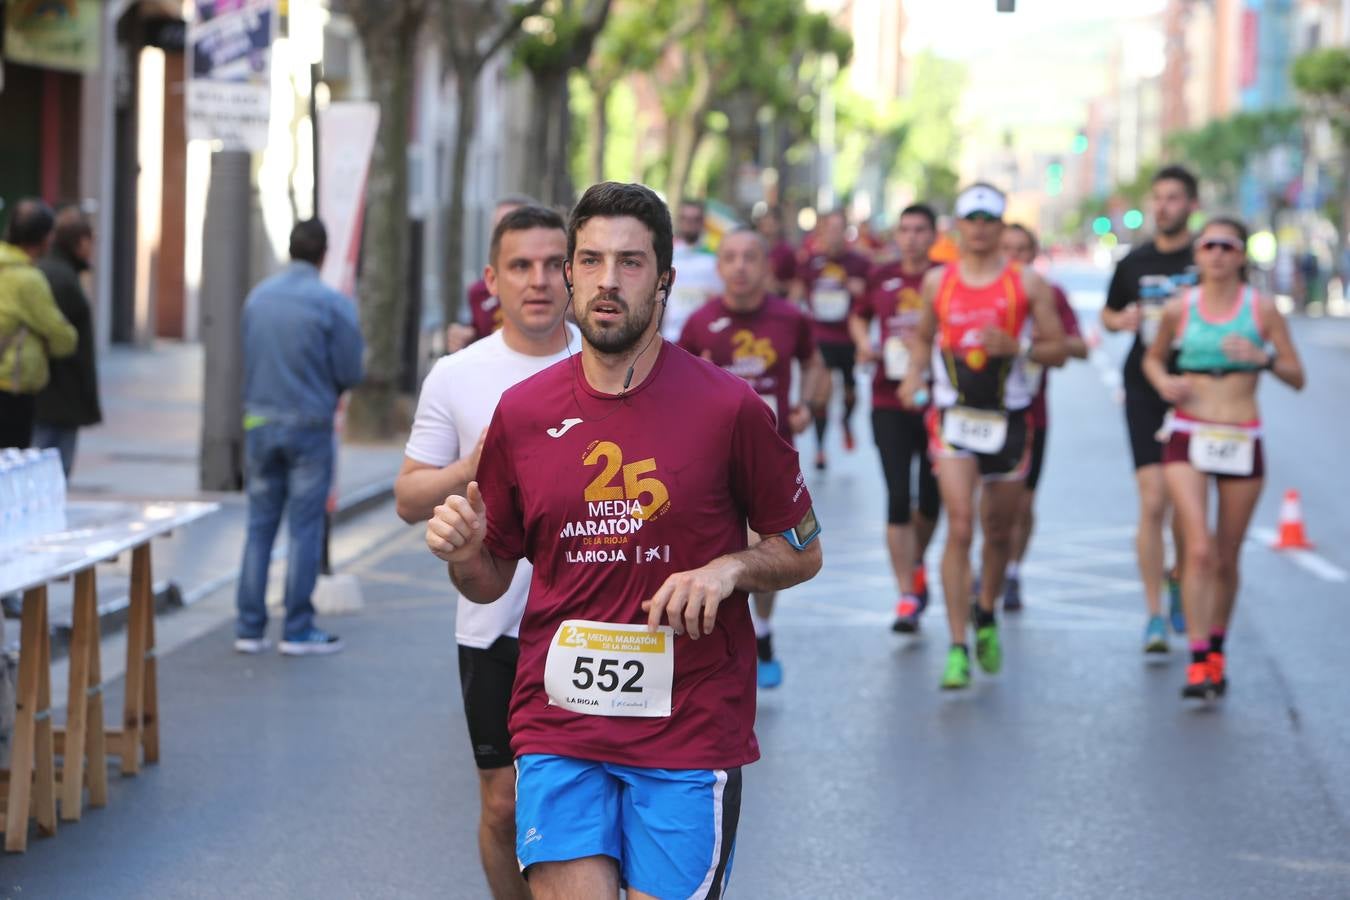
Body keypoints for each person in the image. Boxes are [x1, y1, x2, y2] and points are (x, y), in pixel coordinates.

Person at [426, 181, 822, 899]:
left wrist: (730, 568)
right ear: (572, 272)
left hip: (688, 730)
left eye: (632, 262)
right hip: (559, 724)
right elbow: (490, 578)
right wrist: (464, 556)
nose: (609, 280)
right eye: (592, 260)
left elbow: (803, 547)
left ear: (664, 281)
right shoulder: (523, 414)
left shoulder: (728, 408)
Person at [395, 205, 574, 900]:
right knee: (503, 806)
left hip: (593, 621)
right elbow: (410, 496)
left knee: (582, 801)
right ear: (492, 279)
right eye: (521, 266)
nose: (539, 281)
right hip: (492, 622)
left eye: (555, 264)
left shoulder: (607, 361)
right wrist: (473, 465)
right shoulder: (457, 375)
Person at [899, 184, 1067, 690]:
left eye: (987, 219)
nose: (978, 227)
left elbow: (1057, 348)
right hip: (954, 417)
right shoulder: (938, 282)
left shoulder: (1027, 284)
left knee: (998, 529)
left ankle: (987, 610)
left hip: (1010, 418)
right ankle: (955, 645)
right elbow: (924, 336)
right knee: (962, 524)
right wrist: (912, 377)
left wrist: (1019, 347)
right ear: (958, 226)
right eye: (970, 218)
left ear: (999, 225)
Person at [1143, 217, 1304, 699]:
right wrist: (1162, 381)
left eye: (1226, 246)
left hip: (1240, 434)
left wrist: (1265, 360)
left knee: (1228, 556)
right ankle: (1195, 660)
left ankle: (1216, 647)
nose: (1215, 254)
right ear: (1197, 255)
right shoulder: (1179, 307)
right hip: (1189, 431)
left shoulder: (1262, 309)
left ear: (1240, 255)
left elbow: (1298, 376)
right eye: (1207, 245)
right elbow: (1151, 357)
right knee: (1199, 550)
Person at [678, 227, 827, 688]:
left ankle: (761, 631)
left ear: (765, 267)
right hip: (714, 456)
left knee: (770, 546)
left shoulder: (790, 318)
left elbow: (815, 364)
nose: (740, 267)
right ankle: (732, 641)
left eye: (750, 258)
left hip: (772, 454)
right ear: (719, 268)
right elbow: (675, 388)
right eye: (730, 258)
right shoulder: (699, 323)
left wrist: (808, 405)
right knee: (729, 546)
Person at [234, 219, 365, 656]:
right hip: (309, 423)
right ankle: (297, 627)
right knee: (304, 528)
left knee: (259, 526)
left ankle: (249, 628)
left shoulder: (257, 298)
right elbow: (350, 370)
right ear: (323, 254)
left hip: (259, 421)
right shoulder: (332, 304)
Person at [1102, 165, 1199, 653]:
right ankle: (1155, 613)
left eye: (1174, 198)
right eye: (1158, 198)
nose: (1164, 206)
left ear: (1191, 205)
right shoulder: (1133, 261)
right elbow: (1108, 311)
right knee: (1154, 498)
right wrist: (1122, 321)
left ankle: (1181, 575)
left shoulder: (1209, 258)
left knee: (1188, 504)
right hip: (1143, 386)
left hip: (1199, 390)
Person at [848, 204, 942, 632]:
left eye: (920, 230)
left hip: (938, 399)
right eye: (905, 229)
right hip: (888, 397)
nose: (911, 237)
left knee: (933, 498)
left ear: (933, 234)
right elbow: (857, 316)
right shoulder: (880, 277)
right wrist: (864, 345)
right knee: (898, 496)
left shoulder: (944, 278)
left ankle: (916, 560)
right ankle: (907, 593)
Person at [997, 224, 1088, 611]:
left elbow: (1079, 347)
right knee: (980, 504)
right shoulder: (972, 290)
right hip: (978, 411)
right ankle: (986, 570)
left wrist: (1029, 345)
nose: (1015, 259)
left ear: (1035, 255)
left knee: (1022, 503)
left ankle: (1012, 570)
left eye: (1023, 250)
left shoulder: (1049, 295)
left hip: (1032, 413)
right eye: (1008, 250)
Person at [794, 209, 871, 470]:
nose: (834, 235)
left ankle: (847, 421)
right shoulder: (810, 262)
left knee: (850, 391)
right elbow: (798, 292)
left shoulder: (859, 263)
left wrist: (860, 290)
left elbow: (870, 299)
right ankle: (820, 449)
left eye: (839, 229)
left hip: (848, 336)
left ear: (846, 232)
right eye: (829, 229)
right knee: (821, 395)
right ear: (822, 233)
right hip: (821, 335)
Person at [0, 198, 76, 450]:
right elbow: (63, 337)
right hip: (12, 386)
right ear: (44, 237)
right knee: (10, 467)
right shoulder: (29, 280)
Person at [33, 207, 102, 476]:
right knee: (51, 471)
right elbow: (58, 337)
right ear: (80, 242)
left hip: (56, 394)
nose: (93, 248)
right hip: (57, 394)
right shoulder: (60, 278)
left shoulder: (58, 273)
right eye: (91, 240)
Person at [447, 194, 538, 353]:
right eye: (499, 228)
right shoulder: (479, 292)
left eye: (516, 227)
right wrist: (464, 339)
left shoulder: (557, 288)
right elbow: (480, 338)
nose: (506, 235)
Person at [662, 197, 722, 342]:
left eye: (695, 219)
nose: (689, 224)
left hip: (703, 336)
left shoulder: (714, 256)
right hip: (670, 335)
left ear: (702, 222)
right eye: (685, 218)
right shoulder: (666, 254)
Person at [755, 206, 798, 296]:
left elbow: (795, 283)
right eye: (764, 225)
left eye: (770, 225)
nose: (767, 229)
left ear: (778, 225)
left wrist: (776, 286)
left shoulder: (786, 251)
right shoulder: (754, 249)